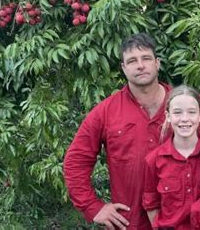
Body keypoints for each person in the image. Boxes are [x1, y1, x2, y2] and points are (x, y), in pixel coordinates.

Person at [63, 33, 171, 230]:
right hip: (130, 223)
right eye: (132, 61)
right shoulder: (106, 111)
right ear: (123, 68)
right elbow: (75, 161)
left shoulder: (183, 106)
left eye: (146, 58)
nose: (140, 65)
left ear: (157, 63)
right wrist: (92, 207)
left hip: (183, 220)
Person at [142, 85, 200, 229]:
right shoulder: (154, 159)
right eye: (177, 112)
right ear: (168, 116)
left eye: (191, 112)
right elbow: (151, 204)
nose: (184, 119)